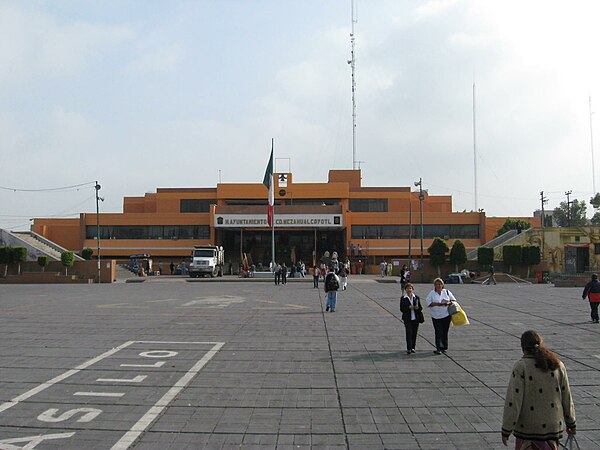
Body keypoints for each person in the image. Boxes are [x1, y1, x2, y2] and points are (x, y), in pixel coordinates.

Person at [502, 330, 576, 449]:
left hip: (529, 428)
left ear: (523, 348)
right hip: (553, 426)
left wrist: (507, 429)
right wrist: (571, 422)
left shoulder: (522, 367)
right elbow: (567, 397)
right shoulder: (557, 364)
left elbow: (514, 401)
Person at [426, 277, 456, 355]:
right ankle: (438, 348)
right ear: (434, 285)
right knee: (438, 332)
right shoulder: (432, 293)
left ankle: (444, 347)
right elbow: (429, 303)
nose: (438, 286)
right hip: (436, 316)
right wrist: (439, 304)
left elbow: (453, 300)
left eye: (440, 284)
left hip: (446, 315)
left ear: (442, 285)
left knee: (445, 331)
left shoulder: (447, 292)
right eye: (436, 284)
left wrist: (448, 303)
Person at [399, 283, 423, 354]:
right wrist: (408, 308)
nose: (409, 290)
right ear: (405, 289)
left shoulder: (416, 297)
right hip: (407, 318)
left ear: (412, 289)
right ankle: (409, 348)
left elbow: (420, 308)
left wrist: (417, 308)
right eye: (408, 288)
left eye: (410, 288)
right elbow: (402, 309)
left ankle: (413, 347)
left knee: (414, 333)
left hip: (416, 318)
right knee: (409, 332)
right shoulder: (403, 298)